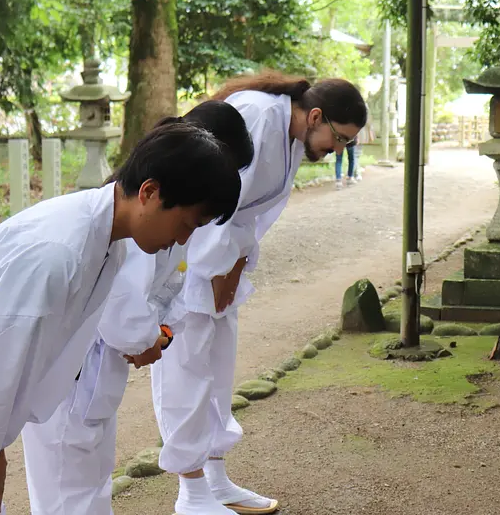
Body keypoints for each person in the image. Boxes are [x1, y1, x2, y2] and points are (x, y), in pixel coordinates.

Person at [0, 122, 241, 515]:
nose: (182, 240)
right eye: (186, 224)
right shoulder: (59, 252)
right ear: (150, 192)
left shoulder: (106, 243)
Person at [20, 102, 255, 515]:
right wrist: (150, 336)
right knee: (66, 493)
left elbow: (171, 290)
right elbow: (125, 314)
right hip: (70, 377)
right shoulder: (121, 230)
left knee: (90, 485)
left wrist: (159, 332)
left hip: (95, 379)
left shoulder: (158, 226)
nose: (187, 234)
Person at [152, 70, 367, 515]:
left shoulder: (291, 136)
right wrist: (214, 269)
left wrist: (232, 270)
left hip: (223, 263)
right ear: (316, 115)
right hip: (188, 255)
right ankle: (190, 491)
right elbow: (214, 197)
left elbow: (248, 215)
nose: (337, 151)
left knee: (218, 367)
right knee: (185, 368)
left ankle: (216, 476)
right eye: (339, 139)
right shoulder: (256, 114)